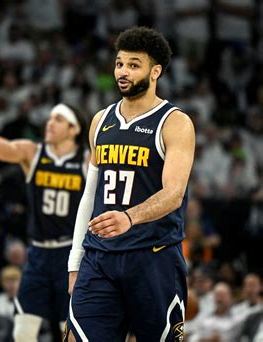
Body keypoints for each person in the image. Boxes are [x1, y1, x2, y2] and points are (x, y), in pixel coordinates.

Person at [66, 26, 195, 341]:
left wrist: (129, 217)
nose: (122, 71)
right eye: (119, 63)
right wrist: (74, 261)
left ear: (155, 72)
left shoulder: (174, 122)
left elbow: (174, 193)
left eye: (133, 65)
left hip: (153, 256)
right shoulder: (100, 120)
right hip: (100, 257)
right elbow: (90, 194)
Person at [0, 80, 89, 341]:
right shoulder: (33, 153)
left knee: (70, 332)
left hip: (70, 255)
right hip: (36, 253)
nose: (50, 123)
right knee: (22, 332)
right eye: (49, 118)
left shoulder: (86, 160)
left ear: (74, 129)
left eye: (58, 119)